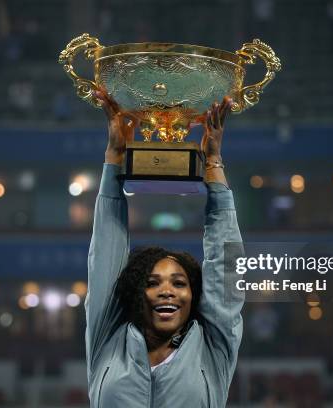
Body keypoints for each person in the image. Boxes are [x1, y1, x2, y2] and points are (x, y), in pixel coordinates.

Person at [86, 88, 244, 407]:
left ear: (194, 296)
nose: (167, 291)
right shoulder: (109, 338)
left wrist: (213, 163)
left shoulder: (211, 347)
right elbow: (105, 252)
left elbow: (224, 266)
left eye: (179, 282)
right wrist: (115, 157)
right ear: (134, 293)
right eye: (152, 282)